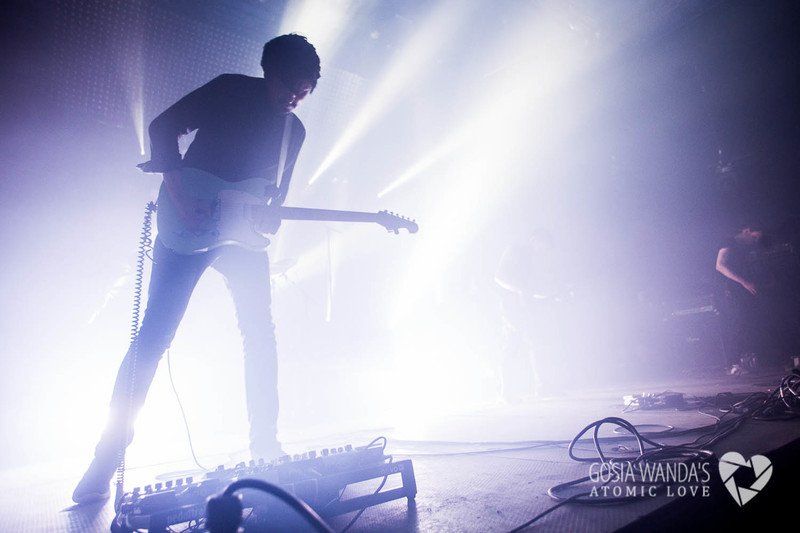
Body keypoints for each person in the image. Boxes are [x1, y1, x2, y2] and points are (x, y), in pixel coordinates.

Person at [72, 34, 321, 504]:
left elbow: (274, 200)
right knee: (153, 337)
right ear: (268, 71)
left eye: (304, 90)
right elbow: (163, 127)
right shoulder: (229, 89)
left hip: (241, 240)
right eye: (289, 85)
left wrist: (270, 217)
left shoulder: (296, 133)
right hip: (186, 227)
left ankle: (266, 447)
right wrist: (181, 195)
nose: (294, 96)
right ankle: (105, 459)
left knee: (260, 334)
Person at [494, 229, 563, 401]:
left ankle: (543, 388)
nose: (544, 250)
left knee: (538, 344)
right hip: (512, 306)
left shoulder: (535, 259)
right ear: (535, 240)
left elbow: (534, 286)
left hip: (529, 306)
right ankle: (506, 392)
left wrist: (548, 293)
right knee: (512, 345)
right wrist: (522, 290)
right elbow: (499, 277)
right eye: (543, 245)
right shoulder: (515, 251)